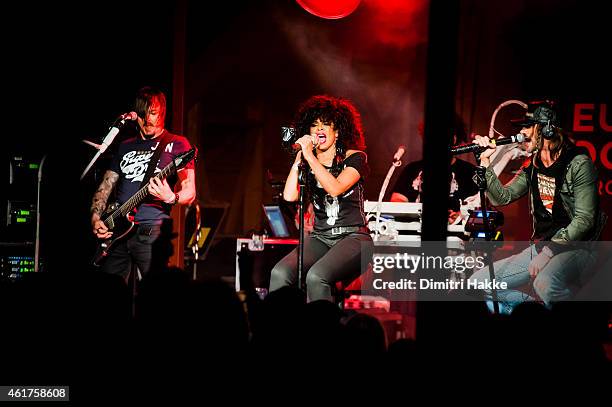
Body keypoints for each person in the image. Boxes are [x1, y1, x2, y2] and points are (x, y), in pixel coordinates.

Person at [469, 101, 606, 311]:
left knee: (545, 283)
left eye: (527, 127)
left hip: (580, 247)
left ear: (546, 129)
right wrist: (486, 163)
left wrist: (550, 251)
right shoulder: (532, 165)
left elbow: (584, 219)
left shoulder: (578, 163)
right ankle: (536, 316)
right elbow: (503, 197)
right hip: (543, 247)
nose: (521, 133)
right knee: (479, 282)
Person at [269, 95, 373, 303]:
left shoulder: (355, 158)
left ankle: (322, 332)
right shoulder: (307, 160)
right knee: (279, 273)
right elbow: (290, 195)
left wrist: (310, 157)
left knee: (316, 277)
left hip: (353, 238)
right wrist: (300, 157)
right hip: (321, 237)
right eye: (314, 125)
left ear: (337, 131)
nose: (319, 129)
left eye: (326, 124)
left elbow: (334, 188)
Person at [90, 86, 196, 281]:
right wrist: (96, 218)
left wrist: (172, 197)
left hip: (151, 232)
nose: (147, 120)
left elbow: (190, 190)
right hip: (116, 232)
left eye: (153, 113)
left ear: (162, 113)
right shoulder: (125, 146)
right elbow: (105, 187)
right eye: (142, 114)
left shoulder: (177, 144)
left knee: (156, 293)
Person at [390, 114, 478, 224]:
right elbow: (396, 201)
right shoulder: (412, 169)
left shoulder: (469, 171)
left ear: (454, 139)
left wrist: (460, 216)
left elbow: (479, 206)